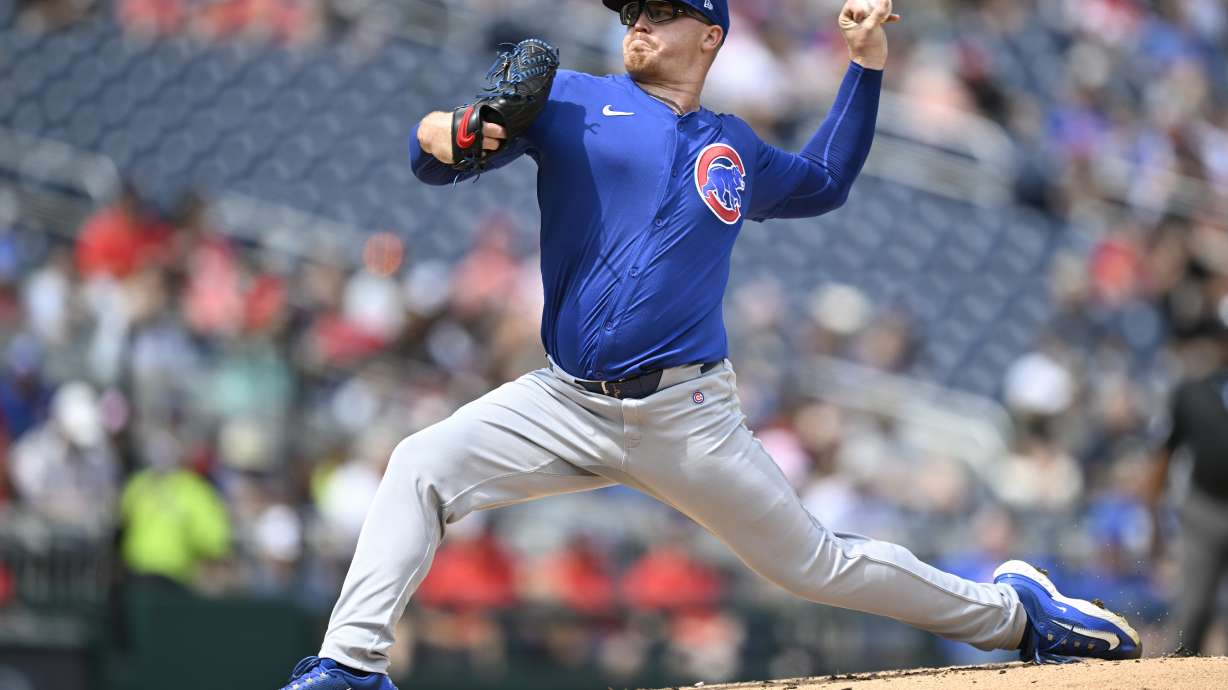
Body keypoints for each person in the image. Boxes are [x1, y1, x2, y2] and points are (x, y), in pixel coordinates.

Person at [279, 2, 1141, 688]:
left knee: (817, 567)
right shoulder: (573, 97)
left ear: (711, 35)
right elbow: (434, 149)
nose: (638, 24)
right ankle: (349, 666)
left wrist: (865, 68)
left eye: (660, 10)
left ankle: (1017, 616)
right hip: (562, 399)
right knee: (418, 464)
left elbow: (830, 182)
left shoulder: (733, 145)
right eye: (632, 12)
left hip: (689, 414)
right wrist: (448, 135)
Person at [1147, 346, 1228, 654]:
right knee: (1193, 610)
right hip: (1204, 509)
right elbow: (1163, 457)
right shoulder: (1193, 393)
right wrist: (1153, 519)